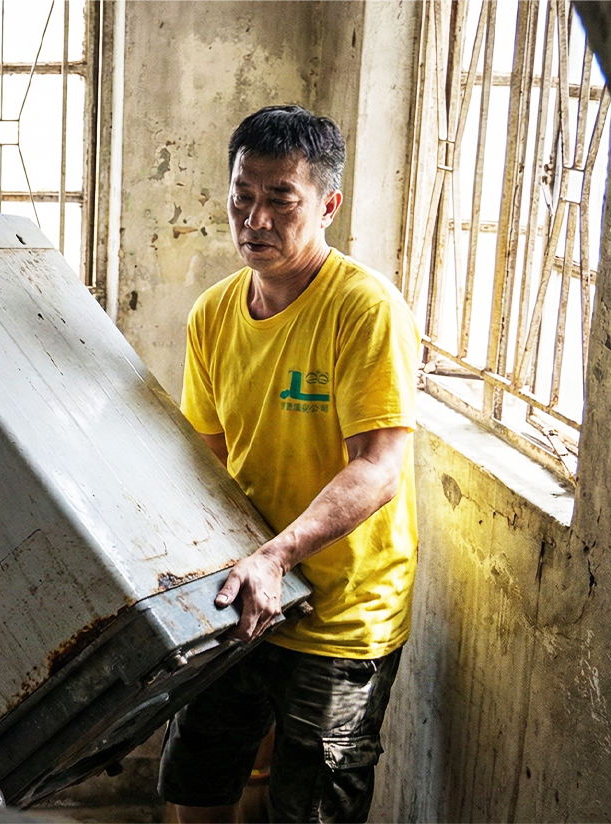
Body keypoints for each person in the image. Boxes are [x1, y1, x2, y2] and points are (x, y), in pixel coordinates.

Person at [158, 105, 419, 823]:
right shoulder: (213, 314)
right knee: (196, 780)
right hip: (240, 595)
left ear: (328, 204)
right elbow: (207, 458)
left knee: (310, 807)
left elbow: (377, 467)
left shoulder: (365, 310)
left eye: (281, 201)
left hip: (341, 608)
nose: (256, 220)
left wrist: (277, 557)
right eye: (243, 196)